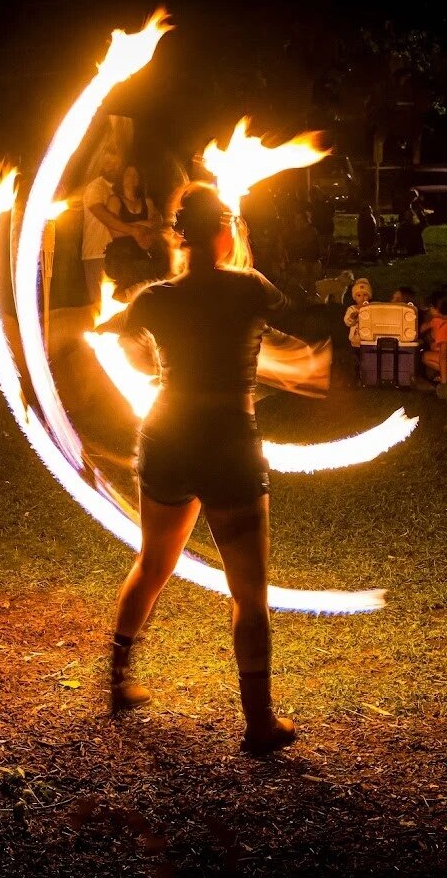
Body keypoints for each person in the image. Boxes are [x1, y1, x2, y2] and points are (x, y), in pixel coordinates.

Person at [112, 182, 296, 756]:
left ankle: (118, 681)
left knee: (154, 562)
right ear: (225, 230)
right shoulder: (250, 289)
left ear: (176, 233)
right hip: (227, 442)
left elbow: (119, 338)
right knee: (249, 591)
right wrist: (295, 368)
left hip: (167, 435)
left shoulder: (154, 298)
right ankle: (259, 724)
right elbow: (276, 325)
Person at [82, 149, 153, 312]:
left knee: (125, 309)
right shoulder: (96, 188)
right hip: (97, 254)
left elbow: (156, 220)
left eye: (115, 163)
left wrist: (143, 228)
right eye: (107, 162)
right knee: (100, 309)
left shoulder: (120, 190)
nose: (111, 166)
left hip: (122, 257)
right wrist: (136, 230)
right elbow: (105, 217)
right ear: (101, 164)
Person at [104, 163, 165, 300]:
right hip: (122, 258)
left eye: (135, 175)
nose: (132, 178)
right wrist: (141, 225)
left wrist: (127, 226)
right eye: (128, 174)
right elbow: (115, 232)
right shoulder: (114, 200)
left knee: (146, 296)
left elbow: (153, 228)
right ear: (122, 177)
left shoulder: (147, 202)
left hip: (143, 258)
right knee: (124, 298)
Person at [342, 276, 373, 349]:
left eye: (365, 295)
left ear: (369, 296)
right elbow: (347, 322)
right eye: (359, 295)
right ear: (354, 297)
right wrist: (352, 317)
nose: (362, 298)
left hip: (368, 340)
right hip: (355, 341)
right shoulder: (352, 309)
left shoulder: (371, 308)